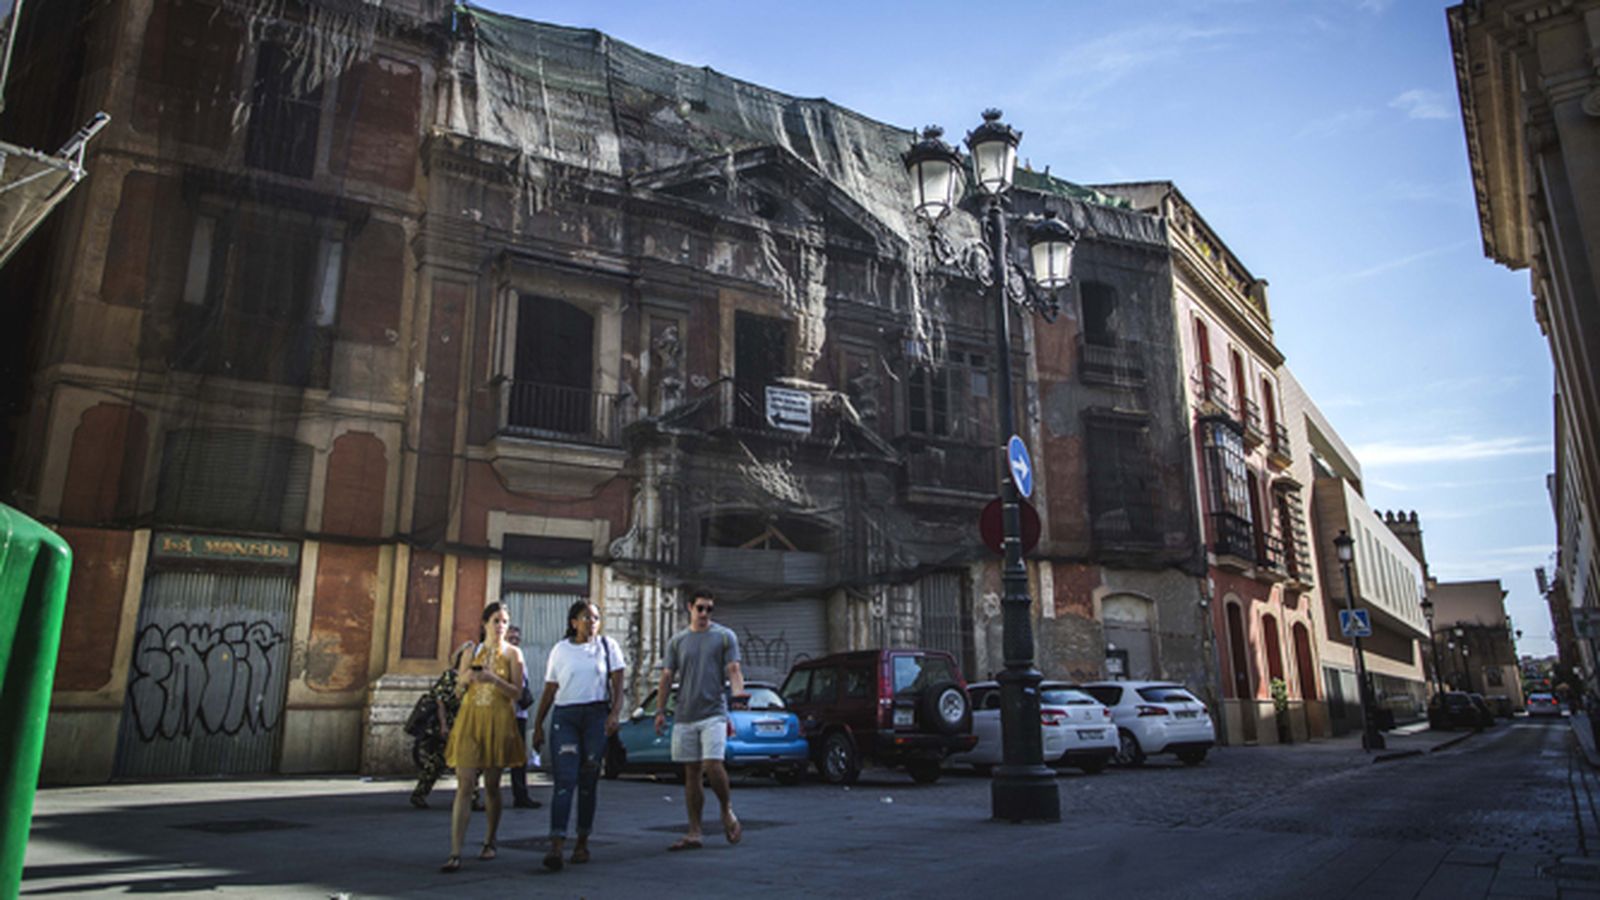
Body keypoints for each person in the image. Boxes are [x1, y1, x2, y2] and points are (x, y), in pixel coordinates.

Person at [531, 601, 627, 871]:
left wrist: (614, 714)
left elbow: (618, 684)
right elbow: (550, 689)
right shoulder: (560, 650)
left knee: (588, 778)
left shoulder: (608, 647)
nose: (592, 622)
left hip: (596, 716)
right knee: (565, 779)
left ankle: (582, 840)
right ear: (574, 622)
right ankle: (557, 844)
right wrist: (539, 724)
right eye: (587, 617)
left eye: (596, 618)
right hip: (566, 717)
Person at [655, 588, 745, 851]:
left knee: (713, 764)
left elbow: (734, 669)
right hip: (685, 714)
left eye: (709, 609)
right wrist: (660, 711)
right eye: (700, 608)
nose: (705, 613)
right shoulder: (677, 641)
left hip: (714, 712)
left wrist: (739, 693)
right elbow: (667, 677)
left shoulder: (725, 636)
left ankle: (726, 810)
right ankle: (694, 831)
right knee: (691, 773)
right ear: (690, 608)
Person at [440, 602, 526, 873]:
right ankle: (455, 851)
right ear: (484, 624)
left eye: (504, 621)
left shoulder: (514, 654)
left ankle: (490, 840)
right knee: (464, 786)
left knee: (491, 785)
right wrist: (467, 676)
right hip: (470, 719)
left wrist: (493, 680)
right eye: (496, 621)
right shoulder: (471, 651)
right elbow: (457, 689)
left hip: (498, 721)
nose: (501, 626)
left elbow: (518, 693)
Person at [411, 642, 473, 809]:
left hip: (465, 725)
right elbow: (440, 701)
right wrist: (444, 725)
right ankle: (419, 794)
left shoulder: (471, 677)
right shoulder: (450, 676)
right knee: (437, 762)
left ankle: (471, 798)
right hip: (449, 724)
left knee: (470, 762)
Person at [504, 625, 541, 810]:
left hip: (519, 714)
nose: (515, 641)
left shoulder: (519, 656)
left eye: (517, 638)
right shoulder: (500, 657)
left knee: (518, 758)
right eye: (511, 638)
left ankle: (521, 795)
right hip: (503, 714)